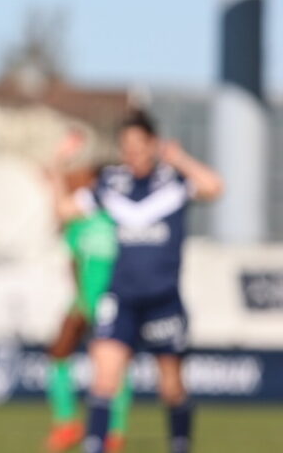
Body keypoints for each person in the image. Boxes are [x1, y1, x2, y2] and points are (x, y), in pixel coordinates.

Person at [55, 111, 222, 453]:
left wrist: (180, 159)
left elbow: (214, 187)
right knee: (104, 379)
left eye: (138, 145)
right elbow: (65, 210)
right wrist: (57, 166)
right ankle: (95, 446)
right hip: (122, 298)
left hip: (163, 299)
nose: (132, 153)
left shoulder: (173, 182)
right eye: (126, 146)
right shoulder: (112, 184)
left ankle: (180, 443)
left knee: (172, 388)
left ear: (153, 145)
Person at [45, 131, 132, 452]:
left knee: (113, 366)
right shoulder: (80, 219)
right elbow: (60, 208)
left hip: (114, 299)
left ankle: (115, 432)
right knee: (58, 353)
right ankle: (67, 422)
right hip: (83, 299)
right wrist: (58, 161)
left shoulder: (120, 215)